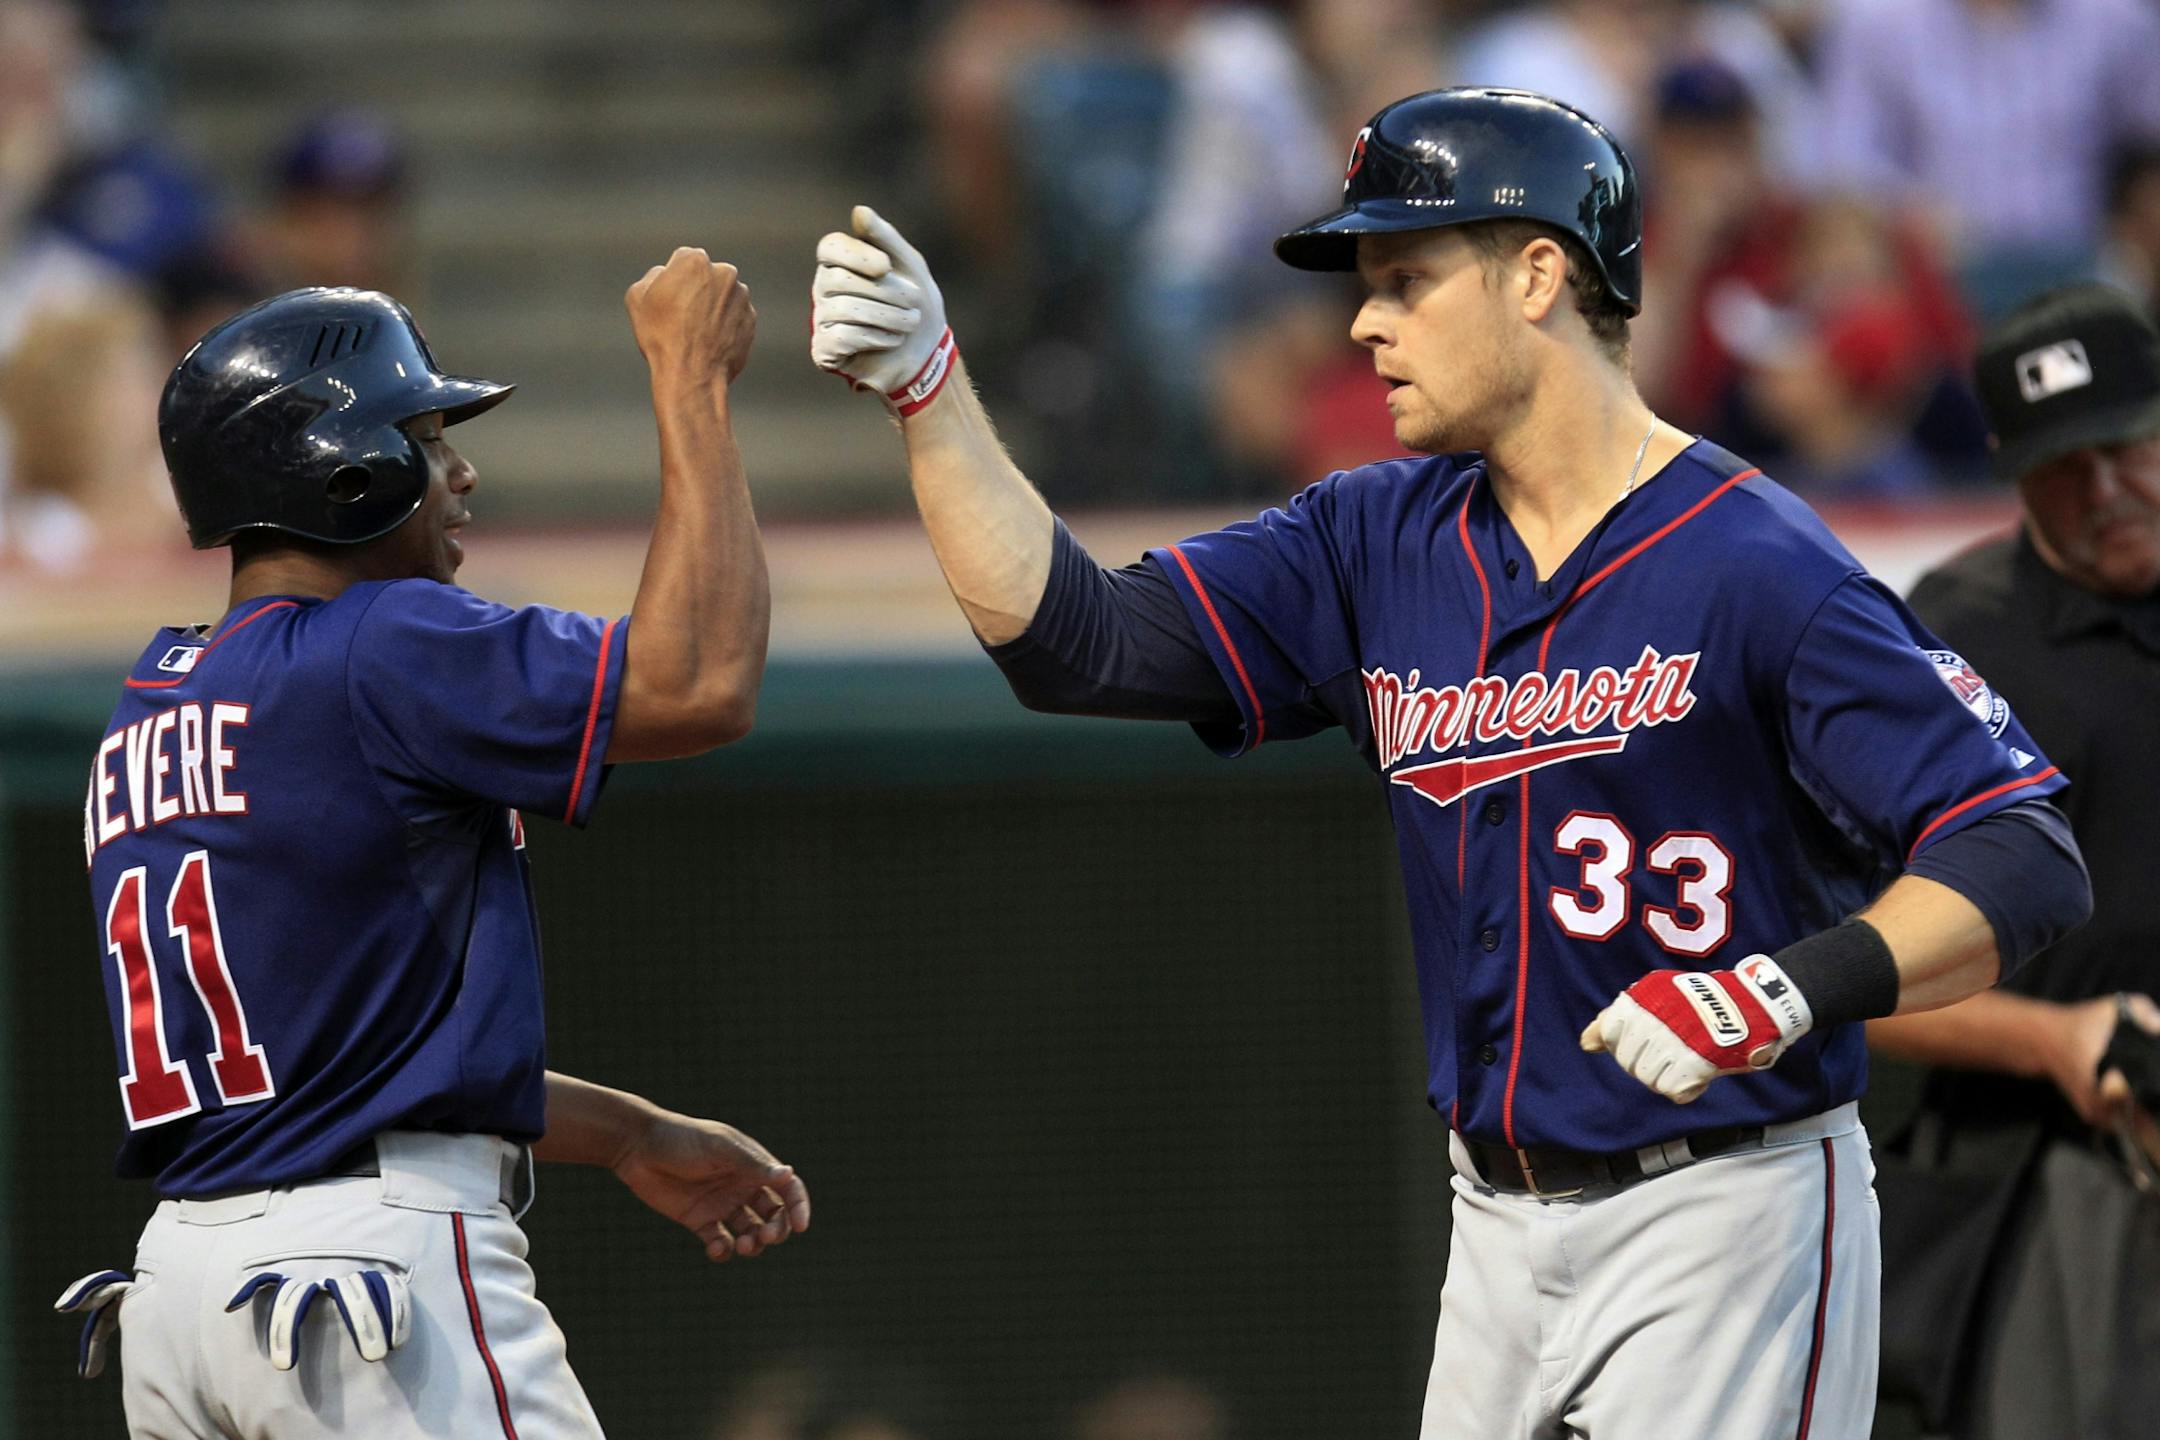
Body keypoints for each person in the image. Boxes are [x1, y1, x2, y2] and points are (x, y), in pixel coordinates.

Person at [810, 87, 2091, 1437]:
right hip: (1494, 1224)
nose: (1364, 321)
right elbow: (1078, 647)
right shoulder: (1371, 538)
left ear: (1539, 271)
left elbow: (2018, 849)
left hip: (1726, 1208)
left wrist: (1784, 988)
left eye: (1406, 278)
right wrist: (933, 397)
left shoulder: (1758, 563)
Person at [59, 252, 807, 1439]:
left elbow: (343, 1076)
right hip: (368, 1287)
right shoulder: (380, 642)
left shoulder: (151, 703)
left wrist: (624, 1135)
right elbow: (700, 684)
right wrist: (691, 380)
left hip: (179, 1304)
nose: (460, 472)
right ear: (339, 464)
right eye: (424, 434)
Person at [1873, 282, 2160, 1440]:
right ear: (2004, 466)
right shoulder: (1961, 639)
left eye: (2124, 447)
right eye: (2059, 466)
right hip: (2063, 1173)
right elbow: (1852, 971)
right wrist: (2059, 1039)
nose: (2102, 490)